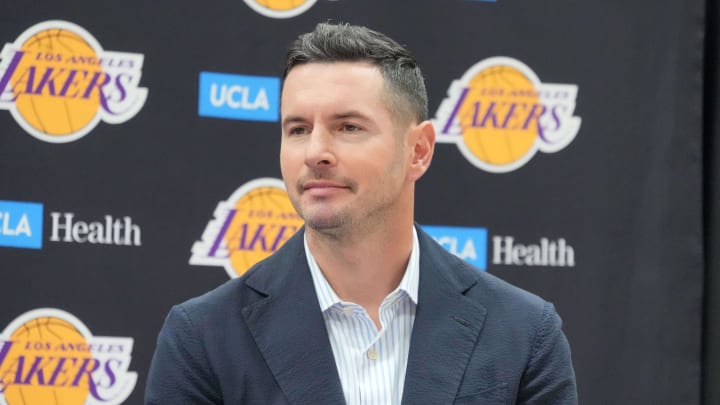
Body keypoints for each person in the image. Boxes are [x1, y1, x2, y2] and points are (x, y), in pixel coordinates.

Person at [145, 22, 578, 404]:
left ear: (419, 150)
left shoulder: (523, 333)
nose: (316, 152)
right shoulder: (202, 337)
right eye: (298, 129)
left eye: (348, 127)